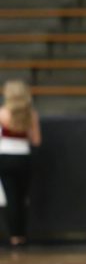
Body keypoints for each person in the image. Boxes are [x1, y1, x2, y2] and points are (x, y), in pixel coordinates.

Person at [0, 80, 42, 246]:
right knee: (22, 197)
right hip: (23, 157)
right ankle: (22, 234)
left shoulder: (2, 113)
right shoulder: (31, 115)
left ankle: (14, 236)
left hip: (4, 157)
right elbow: (36, 140)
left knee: (11, 197)